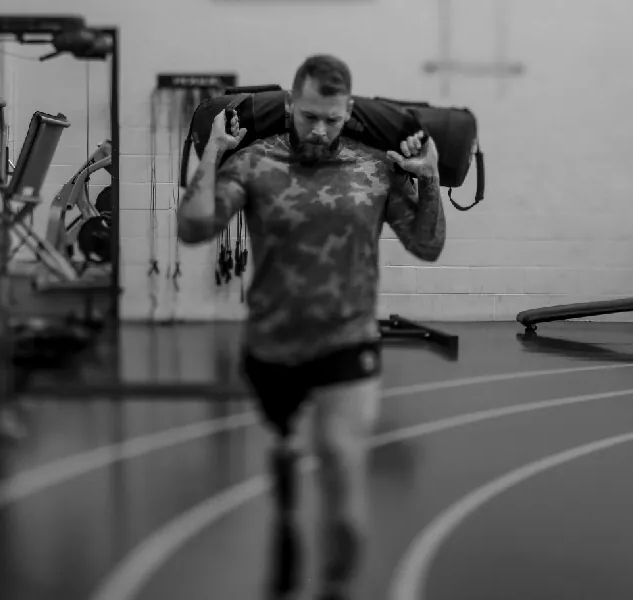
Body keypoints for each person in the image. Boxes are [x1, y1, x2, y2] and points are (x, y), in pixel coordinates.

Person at [176, 54, 446, 600]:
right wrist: (212, 154)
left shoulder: (375, 168)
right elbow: (194, 228)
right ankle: (287, 499)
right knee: (288, 453)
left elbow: (427, 244)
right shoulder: (253, 164)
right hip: (271, 346)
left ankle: (334, 588)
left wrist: (430, 178)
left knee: (342, 474)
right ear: (292, 107)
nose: (319, 129)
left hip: (348, 343)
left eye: (331, 118)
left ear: (348, 112)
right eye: (308, 116)